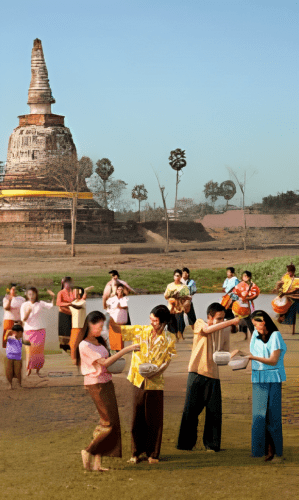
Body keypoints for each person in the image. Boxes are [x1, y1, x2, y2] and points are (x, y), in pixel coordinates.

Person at [109, 305, 176, 464]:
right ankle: (136, 453)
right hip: (137, 380)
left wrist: (157, 372)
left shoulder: (169, 338)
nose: (151, 322)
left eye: (155, 320)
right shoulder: (141, 330)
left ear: (163, 322)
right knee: (136, 417)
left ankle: (153, 454)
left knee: (154, 419)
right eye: (151, 319)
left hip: (156, 381)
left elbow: (167, 361)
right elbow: (119, 330)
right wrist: (110, 318)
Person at [76, 311, 140, 472]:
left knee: (108, 422)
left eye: (101, 326)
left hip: (106, 382)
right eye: (97, 326)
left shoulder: (99, 341)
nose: (100, 329)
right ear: (89, 325)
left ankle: (97, 463)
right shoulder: (84, 345)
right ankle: (88, 450)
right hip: (96, 384)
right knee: (109, 423)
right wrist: (127, 349)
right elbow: (104, 363)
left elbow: (107, 360)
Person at [177, 303, 239, 452]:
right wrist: (230, 322)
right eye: (219, 319)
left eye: (223, 318)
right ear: (209, 318)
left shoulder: (224, 331)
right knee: (190, 411)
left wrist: (233, 355)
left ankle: (212, 445)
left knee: (214, 412)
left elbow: (224, 353)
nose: (222, 321)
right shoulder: (200, 323)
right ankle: (186, 444)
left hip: (214, 375)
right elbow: (206, 330)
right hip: (197, 372)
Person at [247, 310, 287, 462]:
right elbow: (252, 354)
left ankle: (274, 451)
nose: (255, 327)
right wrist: (239, 353)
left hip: (273, 378)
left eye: (256, 324)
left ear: (263, 321)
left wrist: (251, 357)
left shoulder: (276, 336)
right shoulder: (254, 336)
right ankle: (259, 450)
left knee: (273, 415)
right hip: (258, 378)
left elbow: (273, 361)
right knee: (258, 416)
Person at [20, 287, 55, 377]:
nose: (31, 296)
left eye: (33, 294)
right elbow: (23, 319)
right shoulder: (24, 305)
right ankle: (28, 370)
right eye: (30, 294)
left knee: (39, 352)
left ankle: (38, 370)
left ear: (36, 295)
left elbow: (51, 306)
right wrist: (28, 312)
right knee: (29, 352)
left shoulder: (40, 303)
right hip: (28, 331)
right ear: (27, 295)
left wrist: (53, 297)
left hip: (40, 330)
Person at [56, 277, 92, 351]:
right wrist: (70, 304)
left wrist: (85, 292)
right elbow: (58, 303)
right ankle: (65, 347)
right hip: (64, 314)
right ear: (63, 284)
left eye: (69, 283)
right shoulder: (61, 293)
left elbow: (79, 300)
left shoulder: (73, 292)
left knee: (72, 330)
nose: (68, 284)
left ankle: (73, 345)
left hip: (73, 314)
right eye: (66, 283)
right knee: (65, 332)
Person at [164, 269, 192, 340]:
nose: (177, 277)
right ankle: (174, 337)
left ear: (181, 277)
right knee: (171, 324)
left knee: (180, 322)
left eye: (179, 276)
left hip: (179, 308)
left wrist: (181, 296)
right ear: (174, 277)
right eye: (176, 276)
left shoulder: (184, 287)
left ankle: (181, 335)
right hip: (171, 308)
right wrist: (172, 295)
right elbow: (165, 296)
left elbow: (189, 297)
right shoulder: (170, 286)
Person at [233, 271, 260, 339]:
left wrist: (247, 298)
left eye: (247, 276)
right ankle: (245, 335)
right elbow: (235, 292)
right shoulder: (239, 284)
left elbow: (255, 294)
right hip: (240, 304)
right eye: (244, 276)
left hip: (248, 304)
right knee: (242, 321)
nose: (245, 277)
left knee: (249, 320)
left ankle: (252, 335)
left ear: (249, 277)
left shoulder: (253, 285)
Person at [4, 324, 30, 389]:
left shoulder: (21, 339)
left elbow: (27, 342)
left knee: (18, 372)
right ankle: (10, 385)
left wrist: (29, 341)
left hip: (18, 358)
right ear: (16, 332)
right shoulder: (10, 338)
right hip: (9, 357)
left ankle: (19, 384)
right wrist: (8, 332)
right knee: (9, 372)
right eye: (21, 333)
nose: (21, 334)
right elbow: (5, 338)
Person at [276, 264, 299, 334]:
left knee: (293, 314)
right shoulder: (286, 277)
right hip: (287, 296)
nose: (288, 273)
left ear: (293, 272)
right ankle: (281, 318)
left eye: (290, 271)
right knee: (283, 309)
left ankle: (293, 331)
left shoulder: (297, 279)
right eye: (288, 271)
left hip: (296, 298)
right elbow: (282, 284)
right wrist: (278, 286)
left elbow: (296, 289)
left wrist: (286, 293)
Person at [107, 284, 129, 352]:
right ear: (116, 291)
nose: (120, 291)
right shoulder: (112, 299)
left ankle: (119, 351)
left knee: (120, 339)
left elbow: (126, 306)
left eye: (121, 290)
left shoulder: (125, 299)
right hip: (113, 321)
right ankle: (113, 351)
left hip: (121, 322)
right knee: (113, 338)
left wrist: (121, 307)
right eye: (119, 290)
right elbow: (108, 307)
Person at [2, 283, 25, 348]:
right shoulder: (6, 298)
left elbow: (24, 309)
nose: (15, 291)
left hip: (18, 321)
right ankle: (6, 354)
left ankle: (17, 354)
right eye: (13, 289)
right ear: (9, 290)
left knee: (18, 339)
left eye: (16, 289)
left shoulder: (21, 299)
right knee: (7, 338)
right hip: (9, 320)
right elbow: (7, 308)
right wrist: (10, 300)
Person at [69, 287, 86, 362]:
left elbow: (78, 307)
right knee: (72, 344)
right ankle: (75, 359)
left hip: (80, 327)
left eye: (76, 292)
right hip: (74, 326)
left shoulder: (82, 302)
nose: (74, 294)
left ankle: (76, 359)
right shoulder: (73, 303)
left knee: (75, 344)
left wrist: (69, 304)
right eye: (73, 292)